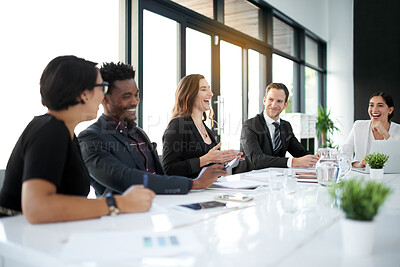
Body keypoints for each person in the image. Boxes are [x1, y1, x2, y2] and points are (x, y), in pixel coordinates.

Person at [0, 56, 155, 223]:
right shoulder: (50, 130)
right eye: (102, 87)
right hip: (22, 238)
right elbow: (37, 207)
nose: (103, 97)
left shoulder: (65, 132)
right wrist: (118, 204)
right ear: (83, 94)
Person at [78, 63, 227, 197]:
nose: (135, 102)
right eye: (126, 96)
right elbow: (125, 179)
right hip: (123, 220)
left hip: (159, 209)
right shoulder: (90, 138)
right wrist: (196, 183)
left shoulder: (139, 134)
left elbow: (162, 177)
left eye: (136, 95)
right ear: (105, 99)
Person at [162, 74, 242, 178]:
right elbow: (168, 169)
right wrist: (207, 159)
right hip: (190, 192)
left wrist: (222, 161)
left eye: (209, 89)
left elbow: (207, 169)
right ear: (189, 94)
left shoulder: (207, 130)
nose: (211, 93)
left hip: (208, 191)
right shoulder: (178, 125)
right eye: (203, 89)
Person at [235, 83, 319, 173]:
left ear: (285, 105)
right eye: (270, 100)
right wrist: (293, 162)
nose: (274, 105)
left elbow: (300, 152)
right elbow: (257, 160)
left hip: (276, 178)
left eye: (279, 101)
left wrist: (316, 159)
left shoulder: (286, 126)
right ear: (264, 101)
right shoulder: (250, 125)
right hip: (248, 179)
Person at [344, 91, 400, 168]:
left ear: (390, 110)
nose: (374, 109)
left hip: (391, 177)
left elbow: (397, 158)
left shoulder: (398, 130)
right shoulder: (358, 126)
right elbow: (344, 154)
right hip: (361, 176)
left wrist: (385, 134)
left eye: (380, 105)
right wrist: (358, 164)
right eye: (371, 105)